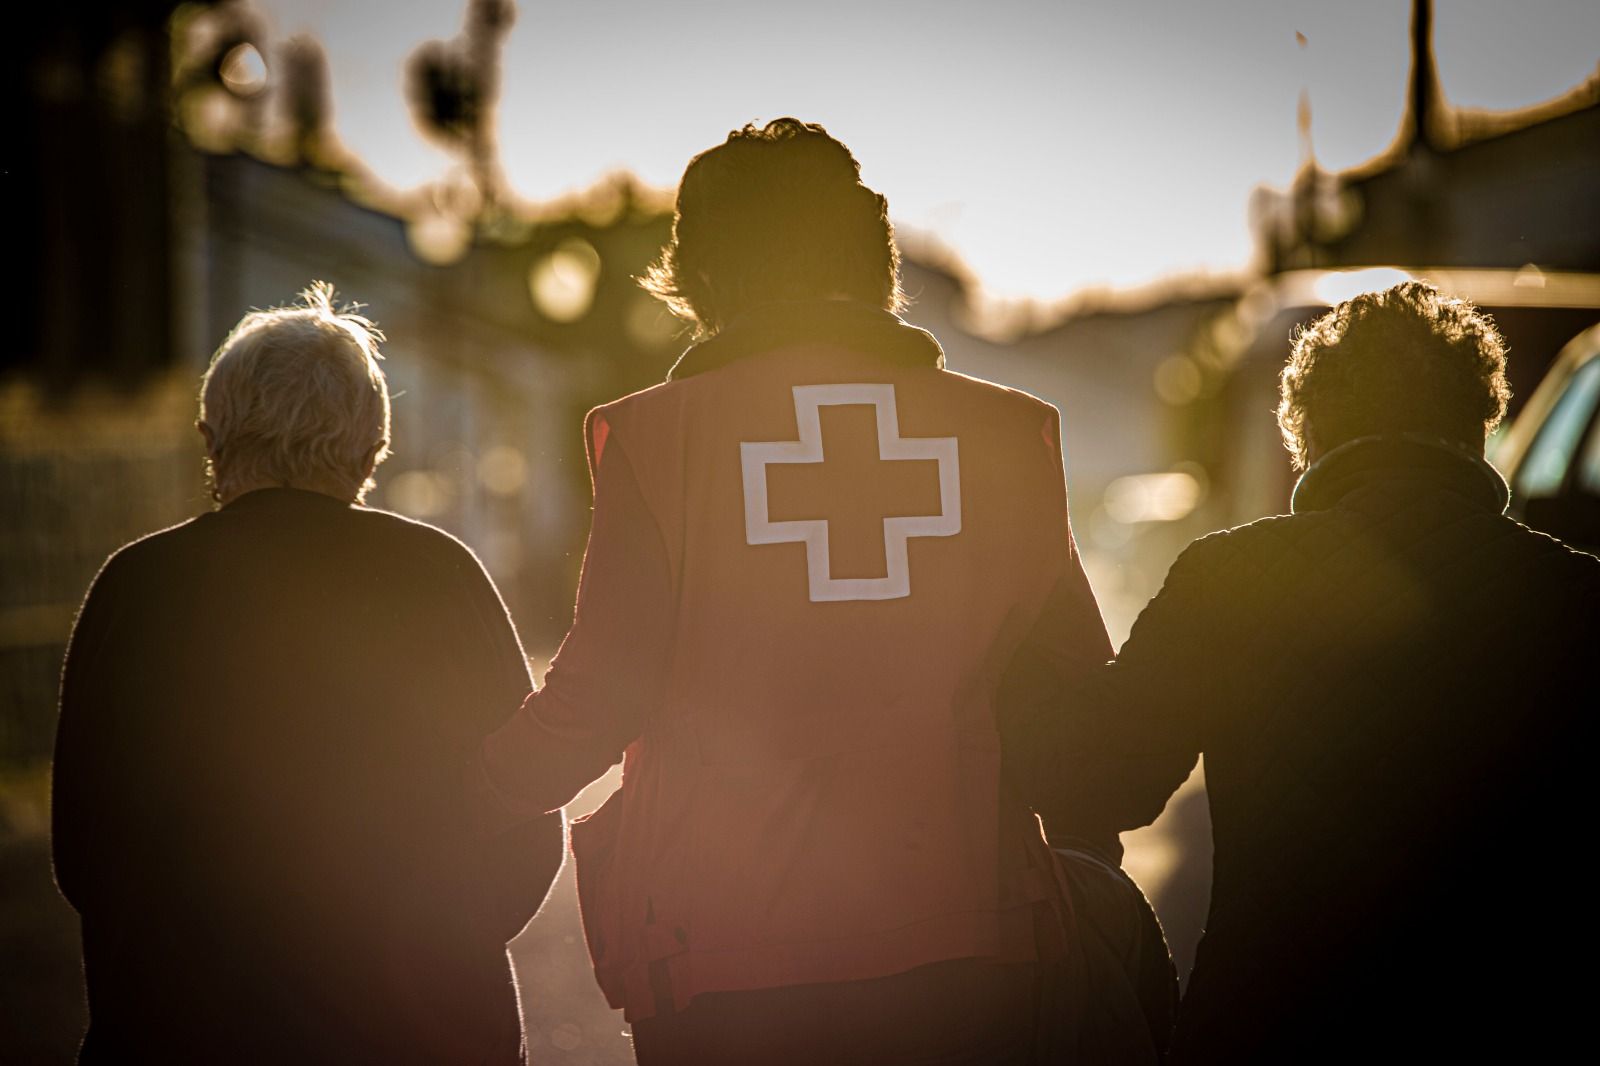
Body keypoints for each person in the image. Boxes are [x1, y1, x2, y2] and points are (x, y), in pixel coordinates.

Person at [473, 118, 1170, 1065]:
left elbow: (598, 697)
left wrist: (460, 797)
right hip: (971, 949)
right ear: (870, 249)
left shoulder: (660, 440)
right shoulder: (1007, 435)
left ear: (703, 269)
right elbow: (1082, 704)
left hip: (723, 962)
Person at [1002, 281, 1600, 1064]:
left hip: (1273, 1018)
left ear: (1305, 431)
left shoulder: (1233, 577)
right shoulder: (1576, 597)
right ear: (1479, 425)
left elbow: (1099, 781)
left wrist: (1010, 650)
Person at [51, 284, 563, 1064]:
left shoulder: (138, 586)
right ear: (372, 449)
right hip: (423, 1032)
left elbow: (84, 850)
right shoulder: (441, 576)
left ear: (212, 438)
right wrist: (443, 947)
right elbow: (527, 819)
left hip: (181, 1033)